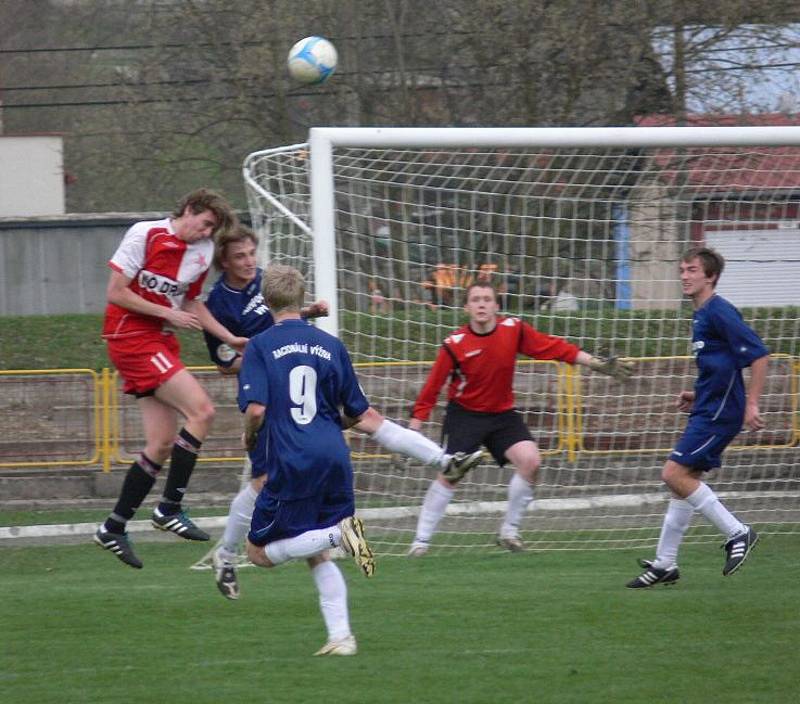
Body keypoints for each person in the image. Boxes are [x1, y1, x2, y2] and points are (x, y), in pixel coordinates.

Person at [205, 227, 481, 600]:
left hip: (288, 410)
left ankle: (443, 461)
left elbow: (281, 318)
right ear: (224, 260)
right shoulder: (220, 304)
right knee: (273, 487)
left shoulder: (262, 288)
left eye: (252, 253)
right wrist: (263, 354)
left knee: (362, 420)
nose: (249, 261)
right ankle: (231, 555)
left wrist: (301, 318)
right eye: (240, 256)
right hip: (283, 403)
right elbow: (226, 358)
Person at [239, 265, 478, 656]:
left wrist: (250, 437)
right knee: (313, 551)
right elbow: (359, 415)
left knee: (258, 553)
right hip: (335, 455)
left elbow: (256, 411)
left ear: (267, 302)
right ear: (302, 300)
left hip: (292, 460)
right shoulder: (330, 346)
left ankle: (342, 534)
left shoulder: (261, 346)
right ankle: (341, 637)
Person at [407, 281, 635, 555]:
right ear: (467, 307)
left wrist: (596, 363)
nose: (482, 304)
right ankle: (420, 542)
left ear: (496, 305)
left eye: (487, 299)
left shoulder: (513, 329)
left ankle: (509, 532)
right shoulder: (454, 344)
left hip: (502, 415)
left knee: (531, 461)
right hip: (465, 416)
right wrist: (412, 431)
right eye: (476, 300)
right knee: (451, 474)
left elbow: (552, 347)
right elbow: (432, 387)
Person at [94, 188, 246, 569]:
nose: (206, 233)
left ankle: (113, 526)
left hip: (159, 341)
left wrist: (227, 336)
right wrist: (168, 313)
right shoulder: (145, 234)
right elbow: (116, 293)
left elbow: (192, 303)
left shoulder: (203, 251)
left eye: (212, 230)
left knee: (160, 443)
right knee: (203, 411)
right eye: (205, 224)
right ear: (190, 210)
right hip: (129, 337)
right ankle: (169, 507)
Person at [627, 246, 768, 588]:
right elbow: (719, 367)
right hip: (708, 406)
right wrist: (697, 394)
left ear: (711, 277)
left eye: (692, 270)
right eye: (682, 270)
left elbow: (759, 355)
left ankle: (738, 531)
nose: (685, 276)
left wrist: (752, 404)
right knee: (682, 485)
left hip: (721, 412)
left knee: (672, 474)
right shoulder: (701, 315)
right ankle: (665, 563)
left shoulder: (720, 312)